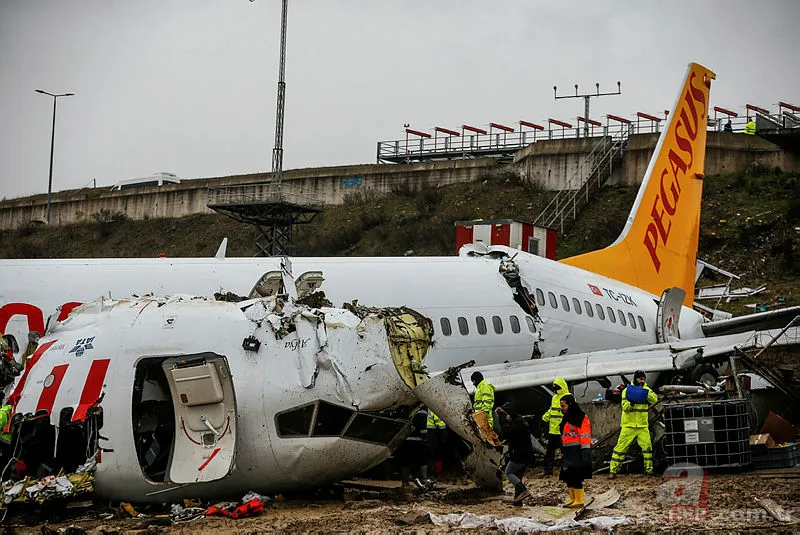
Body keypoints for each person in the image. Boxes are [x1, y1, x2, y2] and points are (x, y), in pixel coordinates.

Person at [609, 370, 658, 477]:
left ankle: (649, 470)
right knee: (620, 449)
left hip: (642, 426)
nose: (642, 380)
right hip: (629, 425)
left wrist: (644, 391)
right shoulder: (626, 391)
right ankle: (613, 471)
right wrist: (632, 402)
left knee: (647, 448)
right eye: (640, 378)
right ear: (636, 378)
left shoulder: (646, 389)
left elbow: (654, 399)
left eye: (644, 379)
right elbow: (625, 407)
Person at [497, 402, 534, 505]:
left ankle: (523, 490)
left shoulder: (517, 424)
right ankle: (518, 501)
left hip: (519, 454)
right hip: (527, 454)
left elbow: (507, 432)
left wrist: (502, 420)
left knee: (508, 472)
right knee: (518, 477)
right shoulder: (519, 421)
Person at [559, 394, 592, 508]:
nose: (561, 408)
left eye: (563, 406)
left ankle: (579, 499)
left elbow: (585, 435)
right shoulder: (567, 417)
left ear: (570, 405)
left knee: (576, 475)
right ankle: (572, 498)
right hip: (567, 449)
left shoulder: (581, 417)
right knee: (567, 475)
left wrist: (585, 451)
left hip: (577, 450)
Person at [541, 377, 569, 475]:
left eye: (556, 387)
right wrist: (544, 418)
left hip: (563, 430)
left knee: (566, 452)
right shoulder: (554, 397)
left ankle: (567, 470)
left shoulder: (569, 397)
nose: (555, 389)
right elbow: (551, 410)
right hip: (553, 430)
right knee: (549, 453)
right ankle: (547, 470)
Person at [425, 409, 447, 478]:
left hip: (429, 434)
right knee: (438, 455)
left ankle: (430, 473)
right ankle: (437, 473)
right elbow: (441, 426)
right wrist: (444, 437)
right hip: (435, 434)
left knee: (431, 455)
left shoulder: (429, 409)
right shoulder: (436, 409)